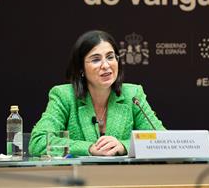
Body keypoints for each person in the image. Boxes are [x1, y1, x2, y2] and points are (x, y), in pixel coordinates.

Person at [29, 30, 164, 157]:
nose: (105, 65)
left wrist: (124, 146)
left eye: (110, 57)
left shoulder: (133, 95)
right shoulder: (64, 96)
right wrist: (89, 148)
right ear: (81, 68)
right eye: (95, 59)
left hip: (124, 178)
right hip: (77, 178)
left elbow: (162, 140)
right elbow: (38, 142)